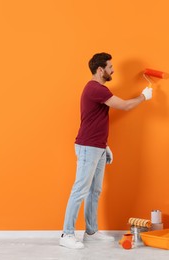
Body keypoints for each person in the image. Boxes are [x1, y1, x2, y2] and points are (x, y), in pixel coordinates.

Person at [60, 52, 153, 249]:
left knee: (95, 191)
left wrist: (105, 145)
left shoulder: (99, 89)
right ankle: (66, 234)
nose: (113, 70)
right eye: (110, 67)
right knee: (80, 190)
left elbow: (96, 120)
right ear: (100, 70)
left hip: (98, 147)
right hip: (88, 147)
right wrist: (143, 97)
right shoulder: (95, 89)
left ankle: (91, 232)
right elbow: (125, 106)